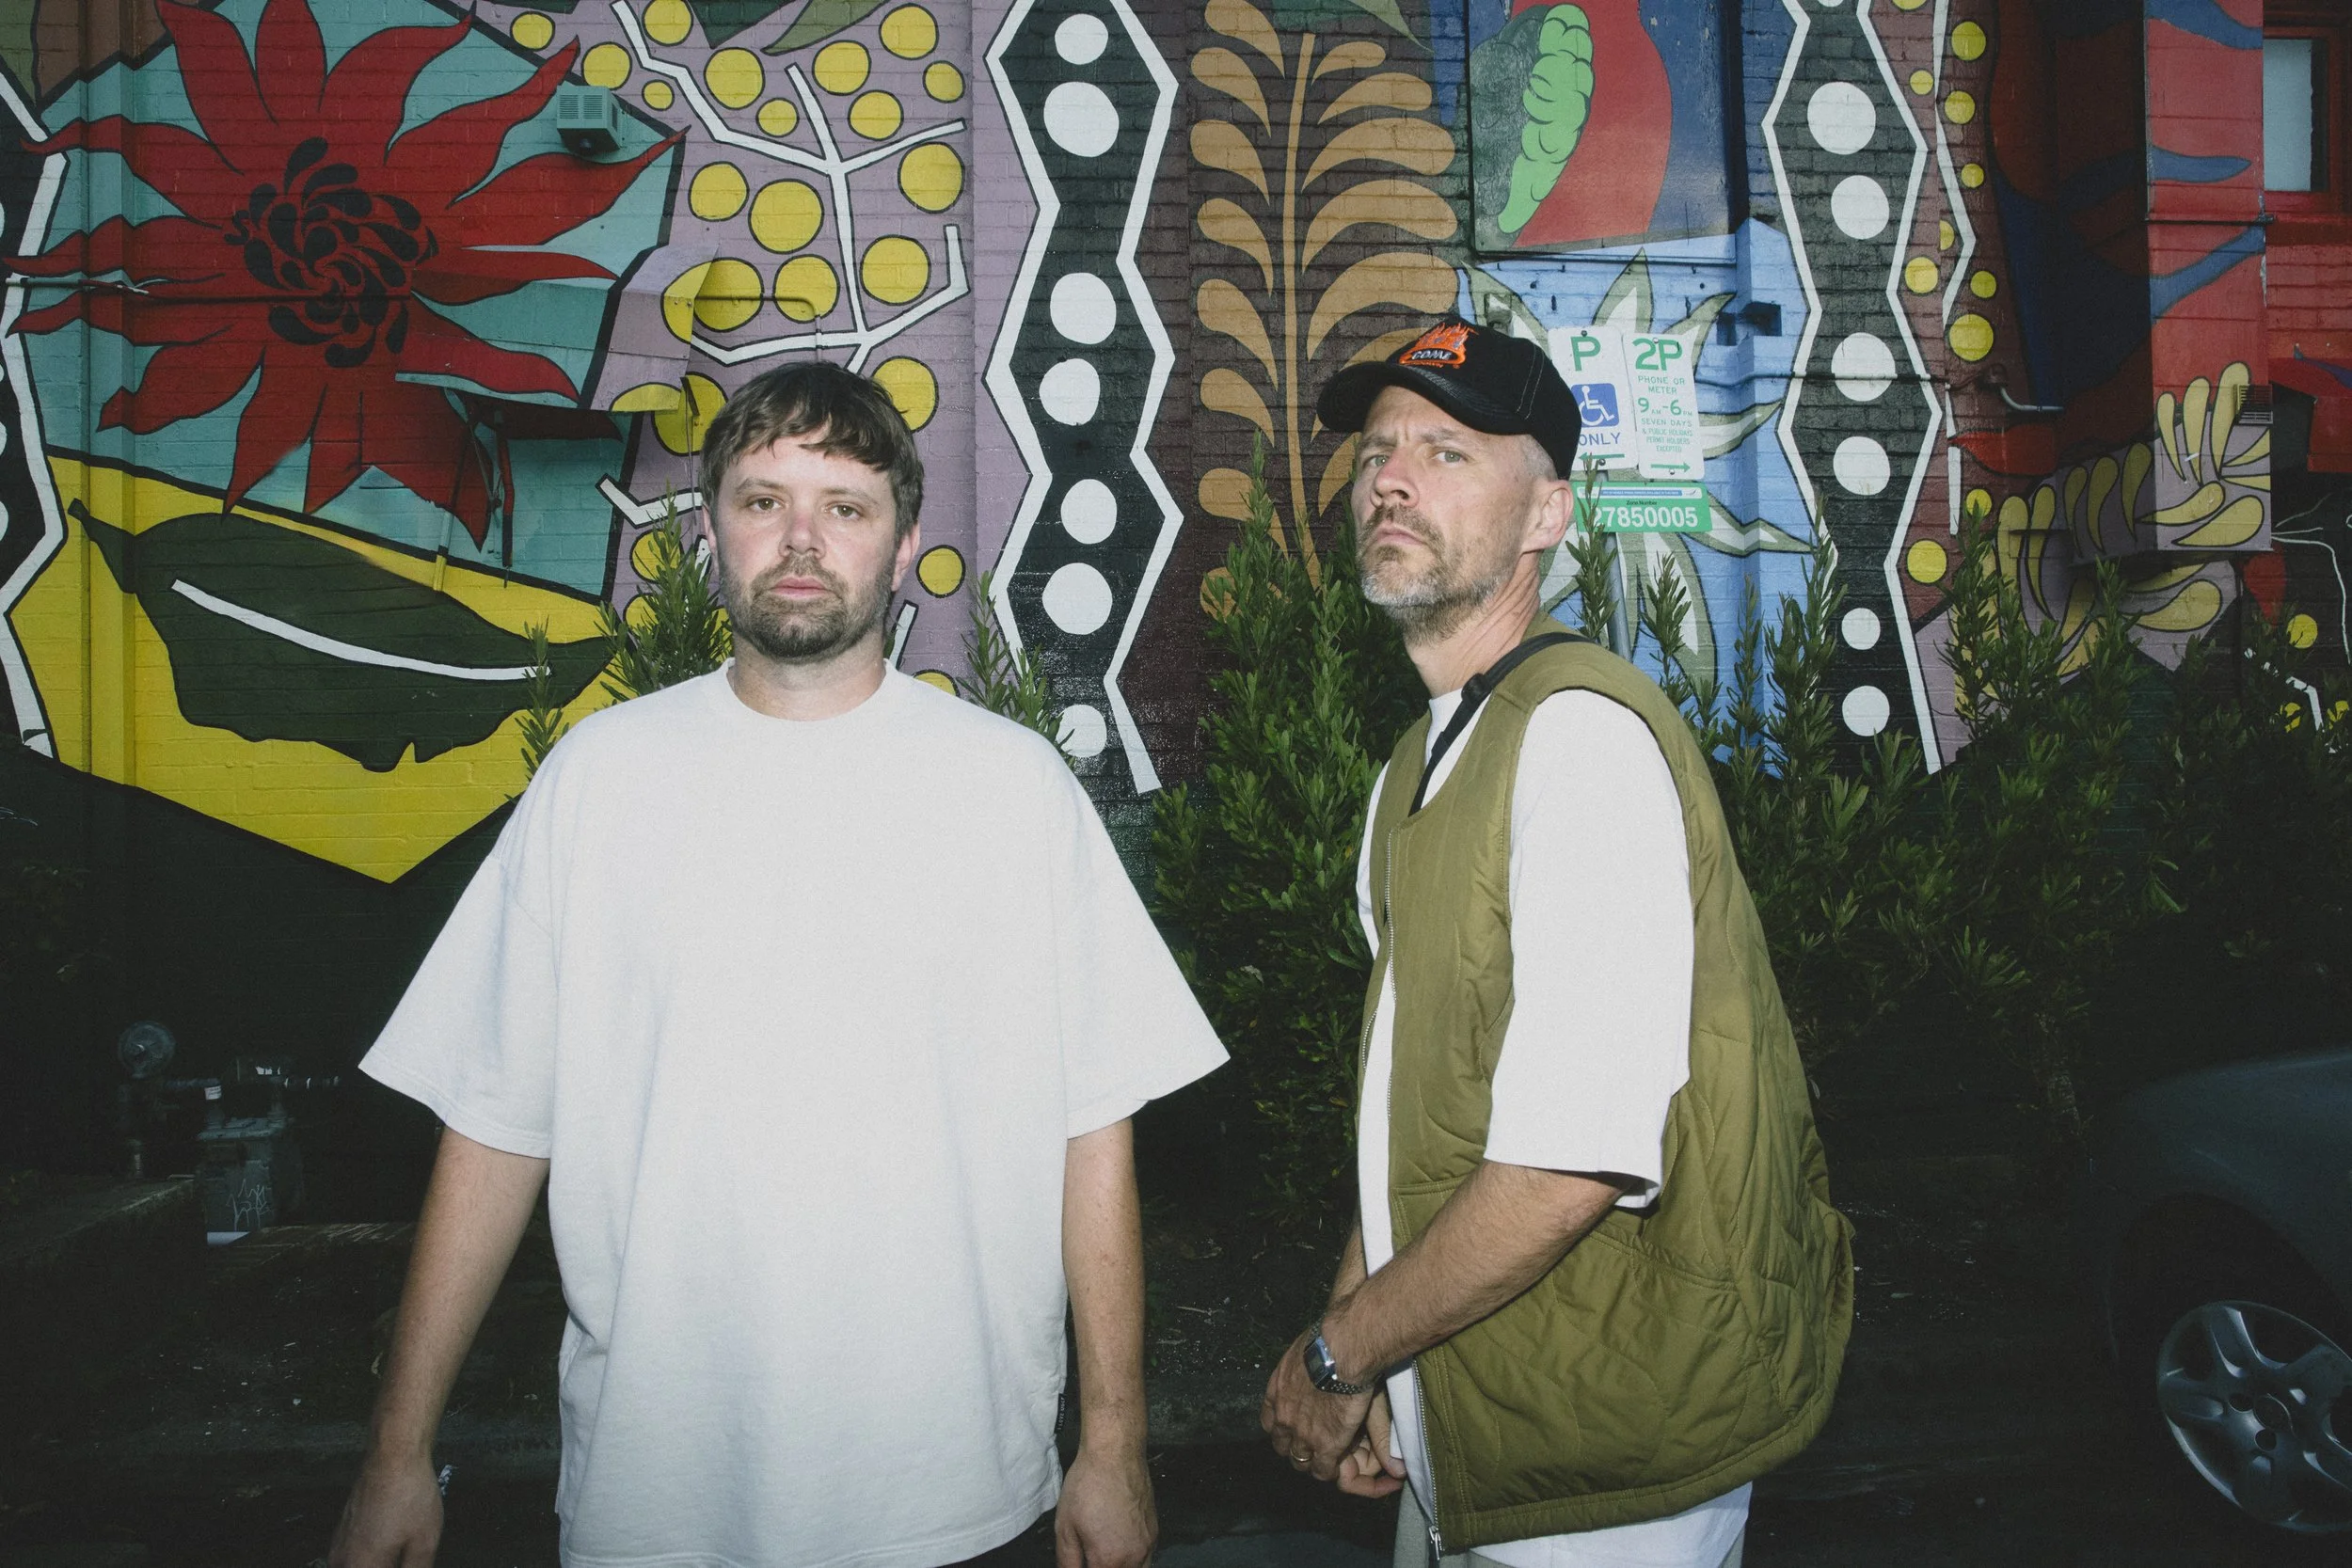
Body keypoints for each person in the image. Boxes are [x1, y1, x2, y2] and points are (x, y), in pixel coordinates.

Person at [330, 362, 1226, 1568]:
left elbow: (1091, 1128)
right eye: (763, 502)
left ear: (902, 545)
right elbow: (495, 1127)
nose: (801, 540)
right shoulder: (599, 780)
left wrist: (1114, 1441)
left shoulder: (1012, 791)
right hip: (659, 1492)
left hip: (954, 1488)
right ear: (712, 535)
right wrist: (396, 1450)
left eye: (845, 507)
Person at [1261, 318, 1853, 1566]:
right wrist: (1374, 1346)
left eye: (1451, 450)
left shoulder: (1578, 745)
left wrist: (1338, 1355)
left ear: (1546, 516)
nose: (1392, 476)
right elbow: (1409, 1102)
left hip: (1608, 1470)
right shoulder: (1419, 763)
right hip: (1473, 1427)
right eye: (1378, 449)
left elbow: (1564, 1165)